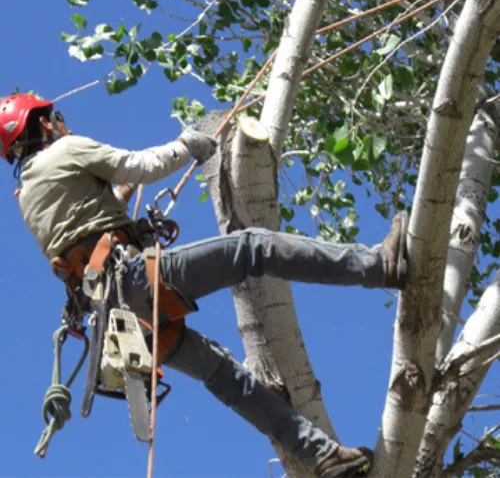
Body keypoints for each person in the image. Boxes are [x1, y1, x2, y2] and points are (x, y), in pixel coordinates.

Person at [0, 93, 408, 478]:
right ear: (44, 125)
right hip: (133, 279)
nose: (63, 123)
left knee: (221, 373)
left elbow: (82, 223)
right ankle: (377, 266)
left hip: (116, 314)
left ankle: (322, 457)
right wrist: (186, 146)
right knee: (253, 249)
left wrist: (120, 199)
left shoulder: (28, 193)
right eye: (57, 118)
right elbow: (139, 166)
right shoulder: (66, 150)